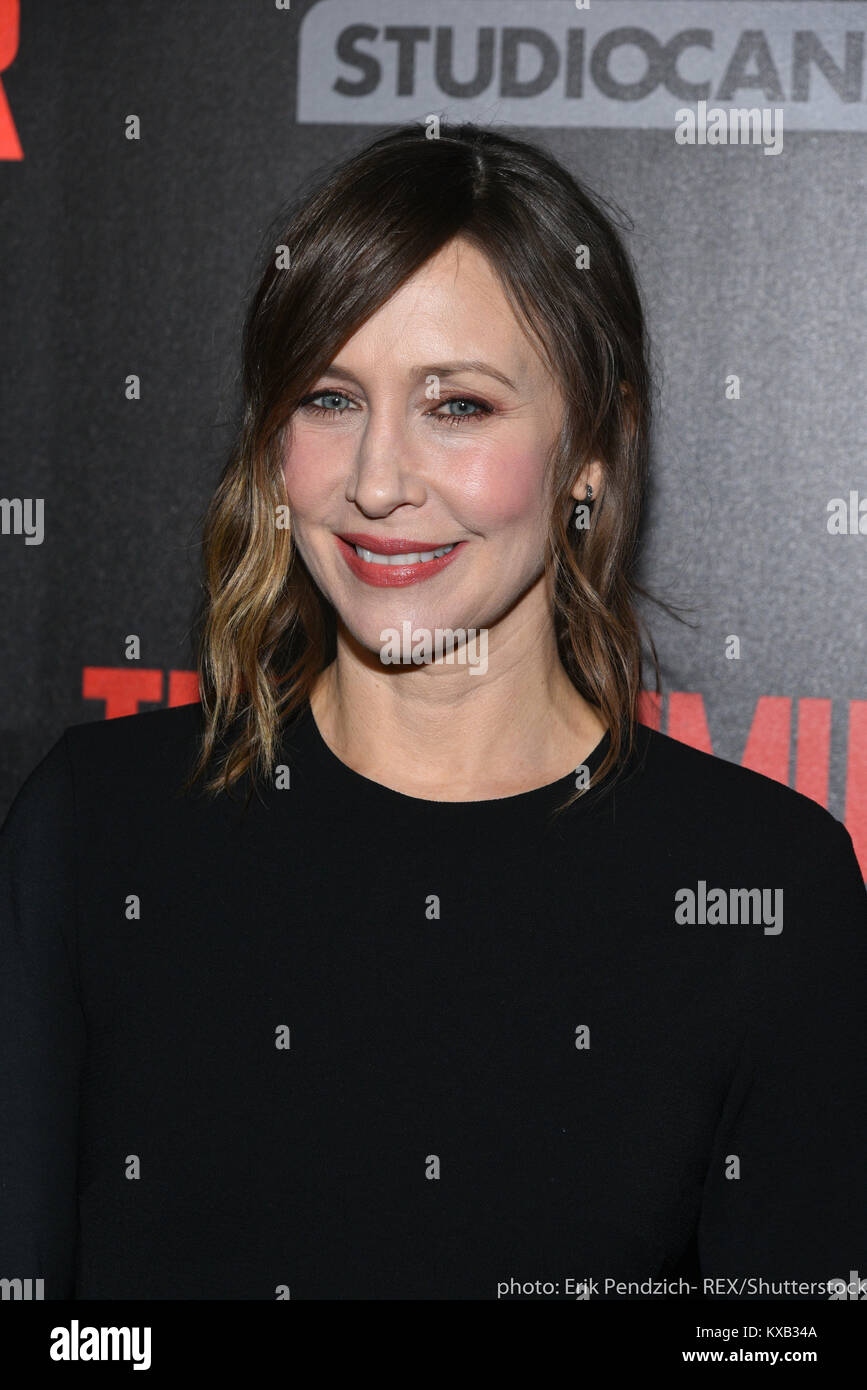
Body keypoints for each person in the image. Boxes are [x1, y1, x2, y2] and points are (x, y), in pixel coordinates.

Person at [1, 122, 865, 1302]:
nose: (375, 480)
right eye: (330, 398)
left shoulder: (766, 889)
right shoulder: (96, 828)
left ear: (594, 449)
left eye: (457, 405)